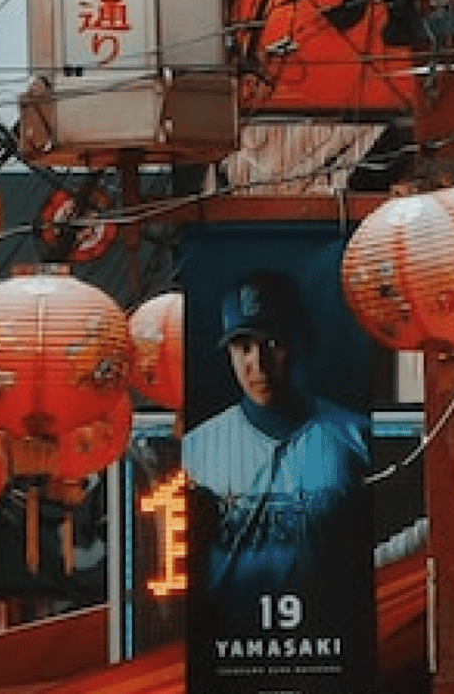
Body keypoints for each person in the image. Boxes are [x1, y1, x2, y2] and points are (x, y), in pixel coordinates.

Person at [182, 268, 373, 686]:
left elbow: (380, 544)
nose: (258, 362)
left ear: (297, 341)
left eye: (272, 342)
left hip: (332, 653)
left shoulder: (354, 436)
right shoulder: (196, 450)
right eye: (243, 346)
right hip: (230, 657)